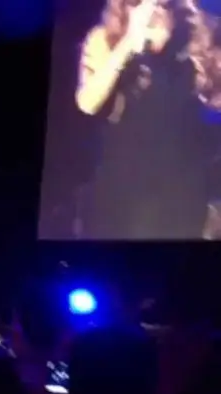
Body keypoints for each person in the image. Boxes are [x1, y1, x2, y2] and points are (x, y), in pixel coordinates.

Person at [76, 0, 221, 239]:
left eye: (160, 5)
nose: (152, 9)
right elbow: (87, 102)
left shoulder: (193, 36)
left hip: (181, 191)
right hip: (122, 191)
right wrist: (128, 43)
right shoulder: (106, 37)